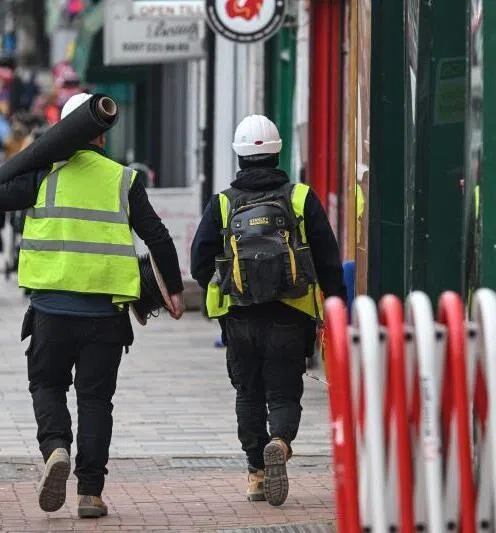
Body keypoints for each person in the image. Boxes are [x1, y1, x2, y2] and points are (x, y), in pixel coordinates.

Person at [0, 93, 185, 518]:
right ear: (101, 135)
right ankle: (90, 493)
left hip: (50, 310)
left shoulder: (42, 175)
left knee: (47, 386)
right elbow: (157, 236)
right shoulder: (123, 179)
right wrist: (173, 291)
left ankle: (56, 447)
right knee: (96, 401)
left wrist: (34, 156)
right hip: (105, 315)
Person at [191, 115, 346, 506]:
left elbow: (198, 262)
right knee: (283, 388)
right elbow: (328, 259)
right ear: (278, 151)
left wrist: (226, 282)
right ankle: (280, 440)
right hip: (291, 311)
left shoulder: (223, 202)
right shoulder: (300, 197)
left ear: (239, 155)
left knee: (248, 391)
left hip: (239, 315)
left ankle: (256, 475)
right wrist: (337, 305)